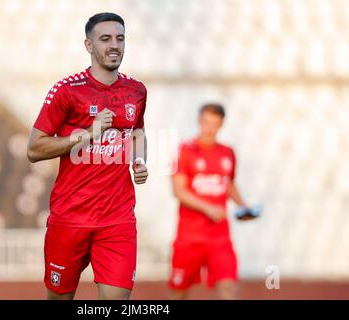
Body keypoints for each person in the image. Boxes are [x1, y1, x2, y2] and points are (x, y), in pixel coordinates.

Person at [27, 12, 148, 300]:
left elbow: (138, 131)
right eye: (105, 39)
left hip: (117, 219)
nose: (114, 45)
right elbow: (34, 149)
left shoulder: (136, 91)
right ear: (89, 45)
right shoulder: (67, 91)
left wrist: (139, 161)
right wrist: (86, 134)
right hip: (70, 217)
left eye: (120, 38)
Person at [169, 103, 254, 300]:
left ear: (221, 124)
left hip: (220, 237)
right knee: (179, 292)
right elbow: (178, 191)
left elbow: (229, 184)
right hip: (189, 236)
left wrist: (243, 206)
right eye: (206, 122)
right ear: (199, 121)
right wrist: (208, 208)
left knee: (229, 288)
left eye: (215, 123)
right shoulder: (185, 150)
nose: (209, 128)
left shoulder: (228, 153)